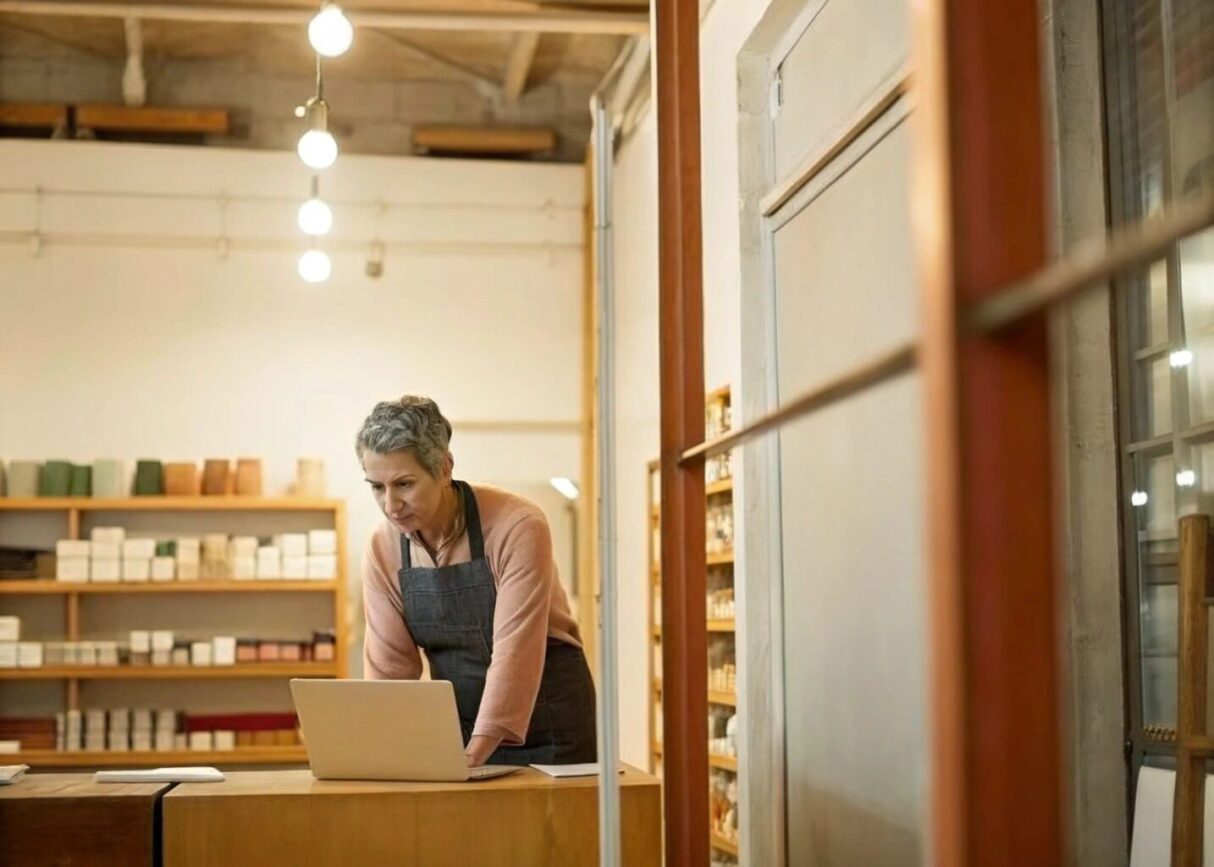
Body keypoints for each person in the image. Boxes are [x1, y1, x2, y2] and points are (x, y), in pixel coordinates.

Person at [357, 395, 596, 766]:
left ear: (444, 468)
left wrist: (472, 758)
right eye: (376, 487)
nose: (390, 505)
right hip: (461, 724)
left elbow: (515, 649)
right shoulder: (382, 547)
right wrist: (388, 754)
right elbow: (390, 669)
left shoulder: (517, 526)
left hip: (550, 719)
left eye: (404, 484)